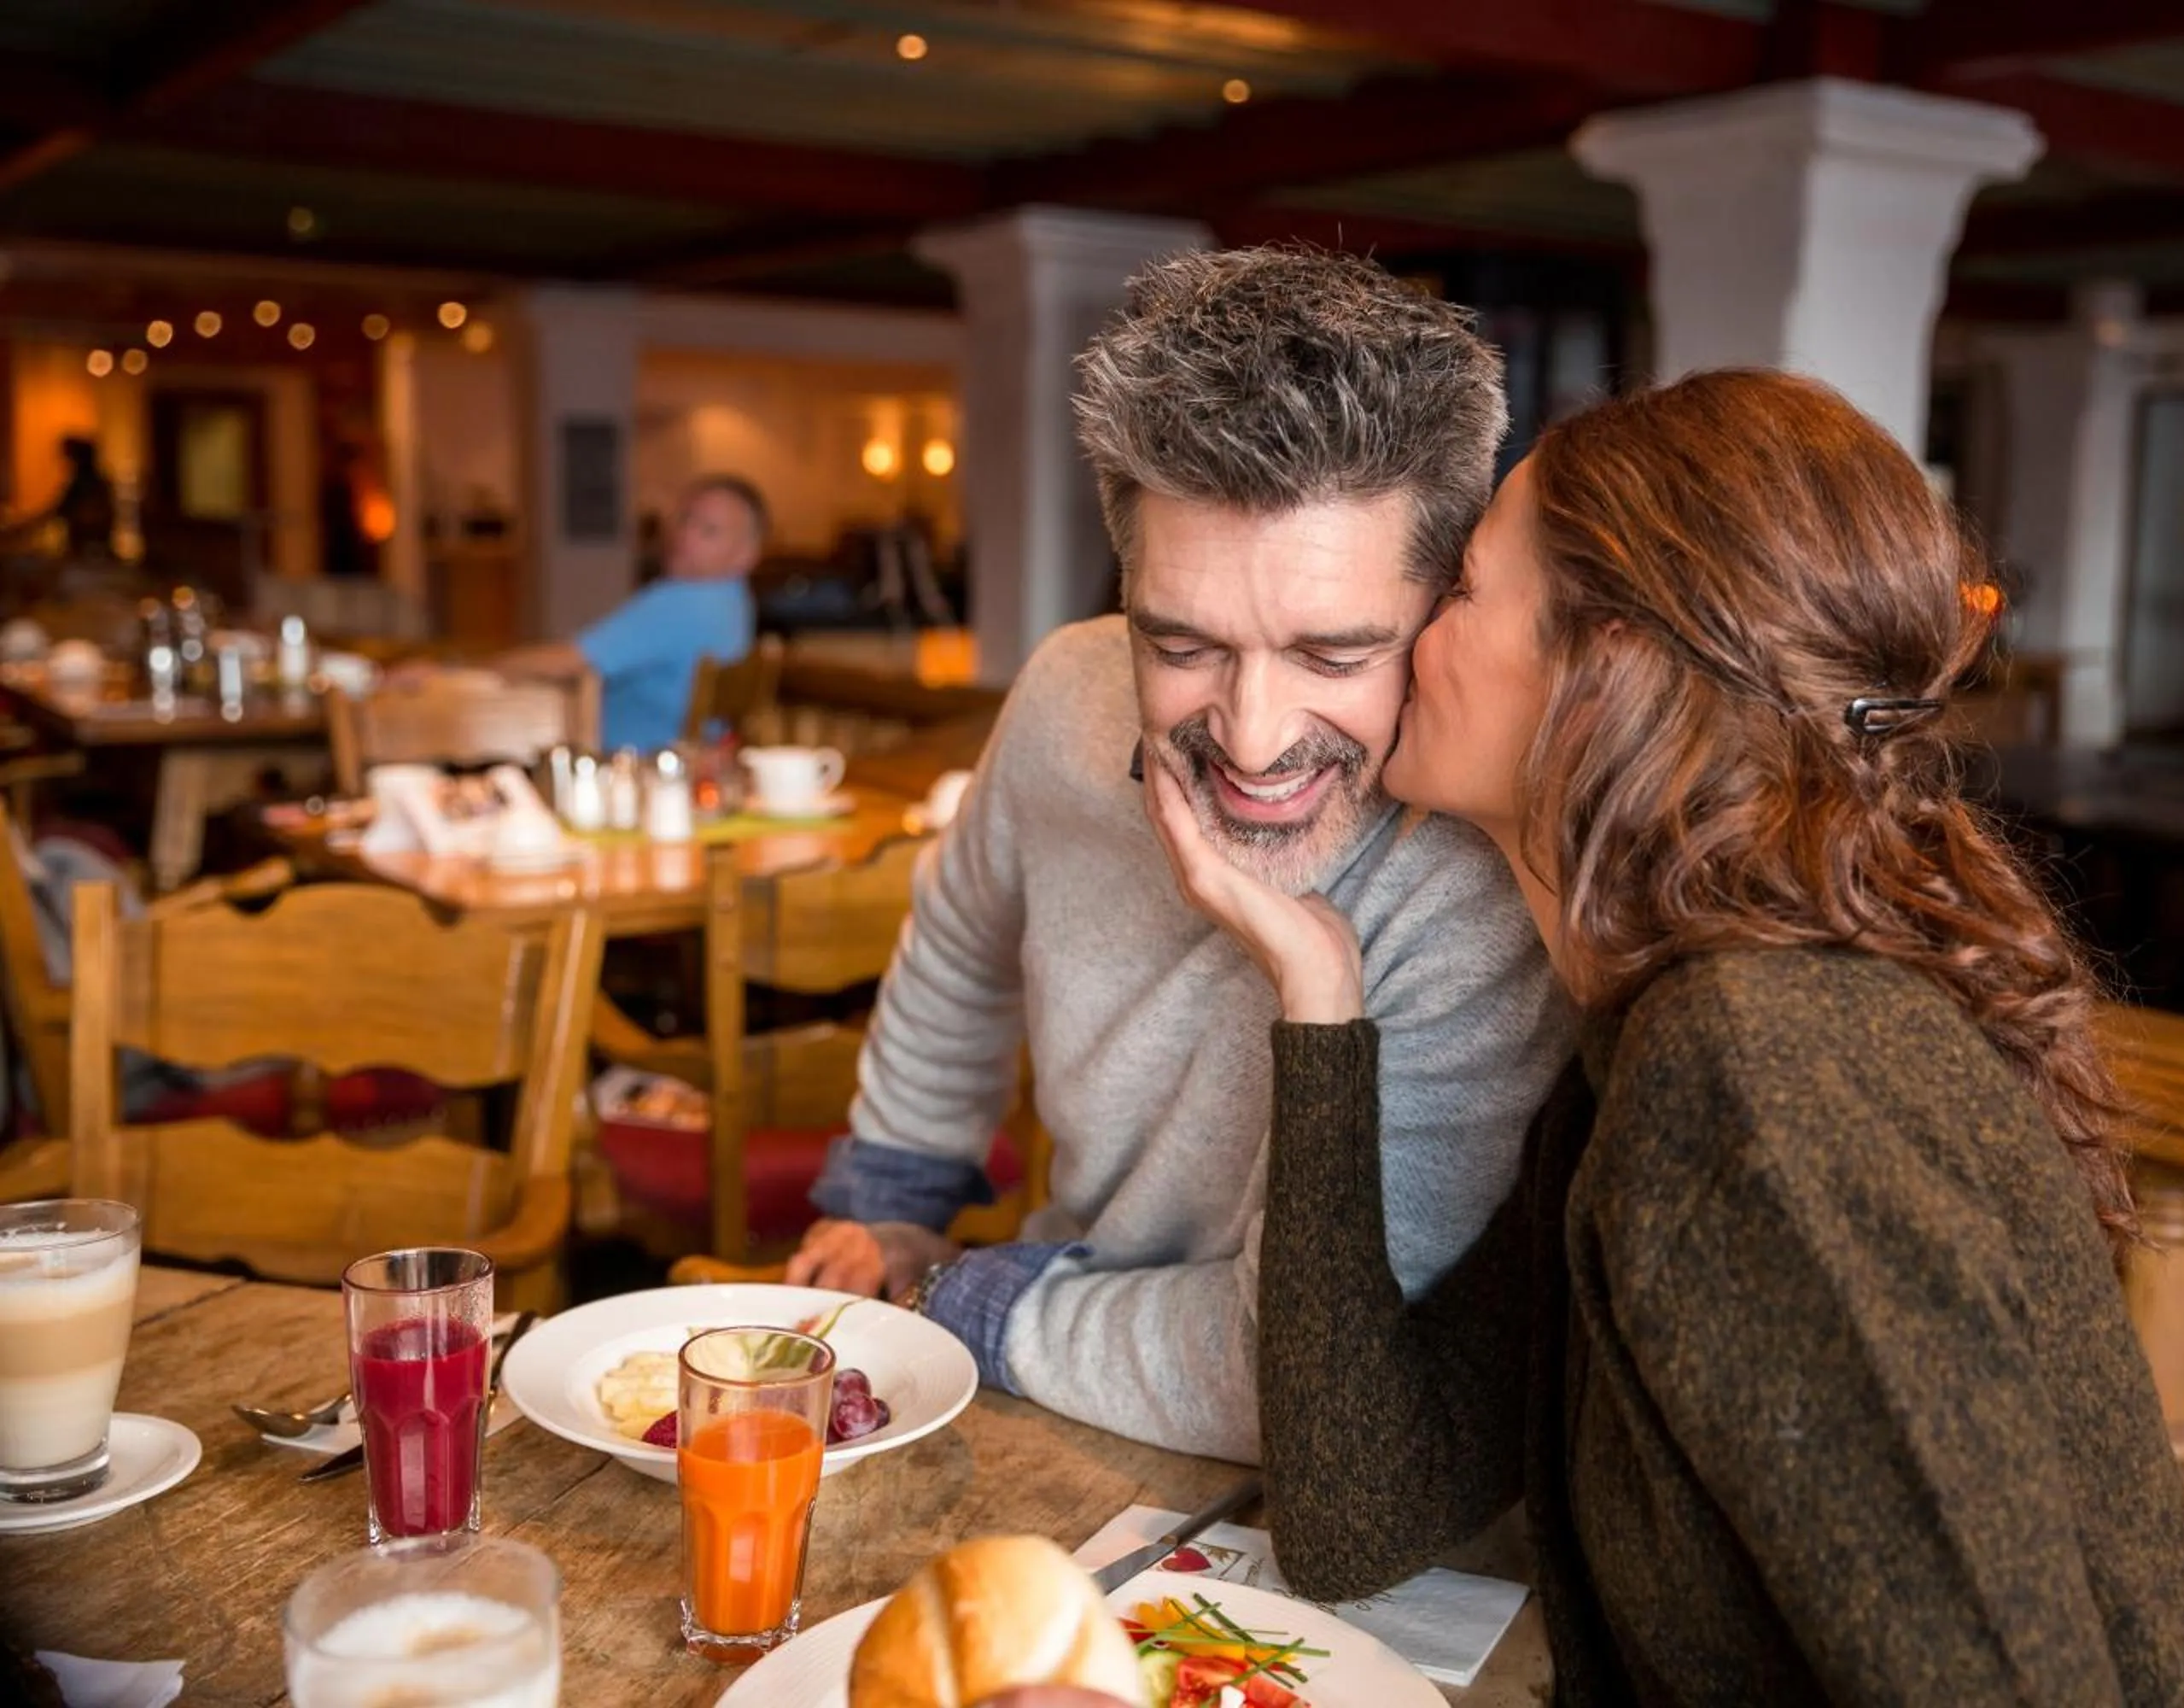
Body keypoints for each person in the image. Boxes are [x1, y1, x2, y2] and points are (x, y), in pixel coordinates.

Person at [1153, 369, 2184, 1701]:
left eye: (1466, 590)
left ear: (1600, 669)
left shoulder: (1759, 1075)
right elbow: (1357, 1511)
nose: (1415, 635)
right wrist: (1322, 994)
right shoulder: (1649, 1043)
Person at [782, 247, 1571, 1463]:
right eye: (1184, 646)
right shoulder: (1066, 691)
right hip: (1055, 1403)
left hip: (1320, 1498)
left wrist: (965, 1300)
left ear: (1443, 610)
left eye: (1333, 655)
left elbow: (1310, 1375)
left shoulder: (1487, 875)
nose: (1253, 739)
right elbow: (960, 938)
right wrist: (894, 1204)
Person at [476, 474, 762, 751]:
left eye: (709, 531)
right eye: (686, 519)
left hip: (630, 762)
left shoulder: (682, 601)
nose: (685, 536)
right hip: (691, 754)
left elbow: (570, 662)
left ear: (745, 555)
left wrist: (478, 670)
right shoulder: (734, 600)